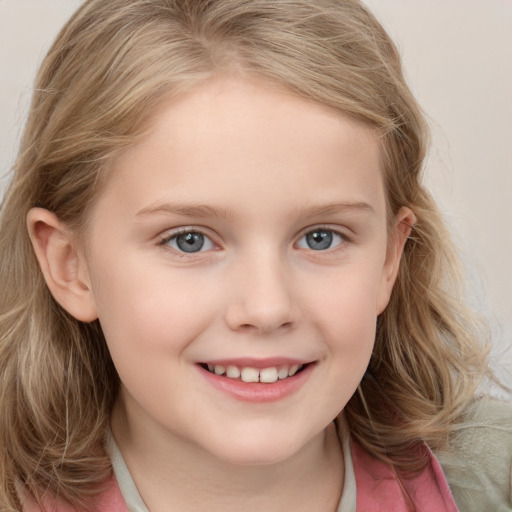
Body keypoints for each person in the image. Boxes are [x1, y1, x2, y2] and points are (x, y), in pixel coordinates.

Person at [0, 0, 510, 511]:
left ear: (388, 260)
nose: (267, 309)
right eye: (189, 240)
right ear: (71, 266)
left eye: (321, 238)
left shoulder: (489, 479)